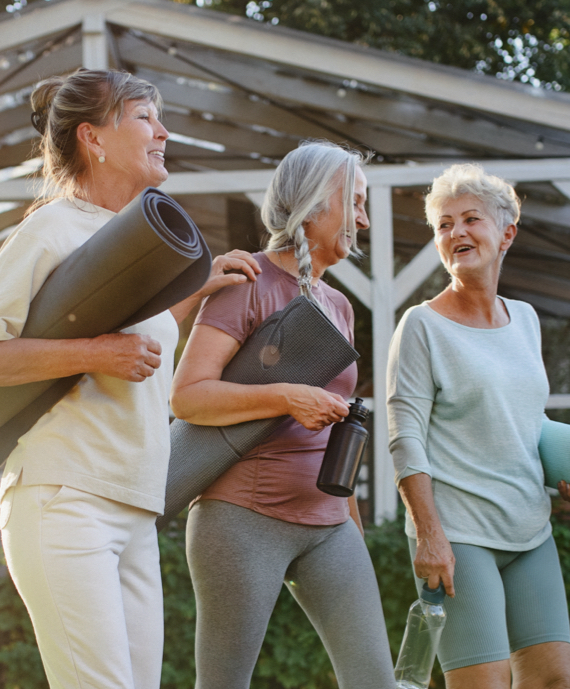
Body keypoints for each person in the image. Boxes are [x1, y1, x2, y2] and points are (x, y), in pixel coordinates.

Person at [0, 68, 260, 689]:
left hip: (134, 504)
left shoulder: (133, 243)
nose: (163, 132)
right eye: (145, 118)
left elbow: (133, 342)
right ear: (94, 137)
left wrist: (200, 286)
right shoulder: (50, 228)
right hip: (65, 497)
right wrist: (93, 353)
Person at [170, 141, 396, 689]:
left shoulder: (338, 304)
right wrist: (287, 395)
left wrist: (353, 523)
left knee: (375, 682)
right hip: (243, 521)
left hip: (329, 523)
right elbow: (188, 396)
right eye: (356, 202)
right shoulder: (248, 282)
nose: (363, 219)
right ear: (316, 203)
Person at [387, 163, 570, 689]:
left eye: (470, 219)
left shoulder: (527, 319)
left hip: (529, 529)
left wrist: (559, 469)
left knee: (555, 678)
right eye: (444, 225)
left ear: (506, 232)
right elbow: (405, 435)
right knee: (484, 685)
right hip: (459, 535)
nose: (456, 233)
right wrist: (429, 535)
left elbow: (526, 417)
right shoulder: (421, 325)